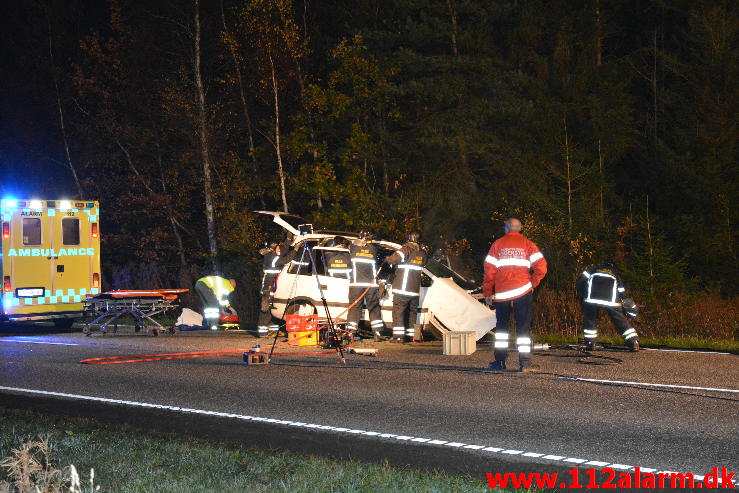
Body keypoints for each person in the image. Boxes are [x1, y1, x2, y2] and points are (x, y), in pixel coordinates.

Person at [483, 217, 547, 372]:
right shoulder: (528, 245)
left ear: (506, 228)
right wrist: (532, 283)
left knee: (502, 329)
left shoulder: (497, 245)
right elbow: (542, 268)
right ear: (520, 228)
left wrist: (488, 292)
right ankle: (525, 363)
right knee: (523, 328)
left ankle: (499, 363)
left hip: (502, 293)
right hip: (523, 292)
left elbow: (489, 271)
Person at [576, 262, 640, 351]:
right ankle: (633, 342)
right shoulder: (614, 272)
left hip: (592, 298)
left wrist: (584, 294)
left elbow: (581, 280)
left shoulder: (594, 269)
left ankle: (591, 343)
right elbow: (621, 289)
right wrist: (623, 300)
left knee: (590, 319)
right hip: (611, 300)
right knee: (620, 321)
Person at [385, 231, 427, 342]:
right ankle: (410, 336)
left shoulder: (405, 250)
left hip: (402, 289)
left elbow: (393, 260)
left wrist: (387, 259)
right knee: (411, 314)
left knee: (399, 313)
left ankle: (399, 337)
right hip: (414, 291)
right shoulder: (422, 254)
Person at [347, 229, 384, 337]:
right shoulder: (373, 249)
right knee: (373, 308)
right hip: (371, 285)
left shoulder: (353, 247)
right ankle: (377, 333)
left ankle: (350, 332)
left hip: (356, 285)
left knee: (354, 308)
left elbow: (352, 243)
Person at [257, 243, 284, 336]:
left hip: (272, 287)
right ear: (273, 249)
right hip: (267, 288)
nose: (280, 250)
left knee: (273, 308)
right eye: (278, 248)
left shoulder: (273, 256)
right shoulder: (272, 258)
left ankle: (273, 330)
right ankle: (263, 332)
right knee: (265, 309)